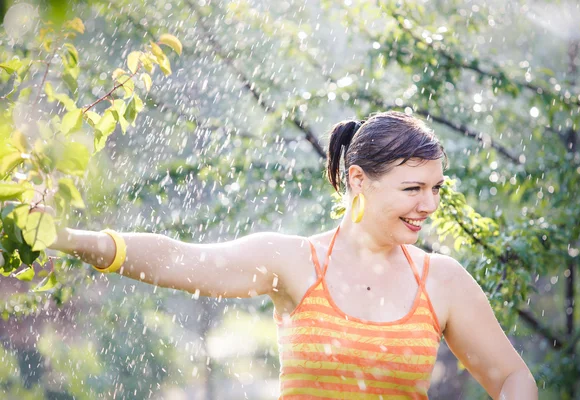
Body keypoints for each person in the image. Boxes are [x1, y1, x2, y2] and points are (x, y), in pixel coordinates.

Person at [45, 111, 537, 399]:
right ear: (359, 180)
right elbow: (179, 260)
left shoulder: (441, 281)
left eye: (435, 188)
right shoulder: (294, 263)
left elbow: (512, 376)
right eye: (413, 189)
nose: (428, 205)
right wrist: (69, 238)